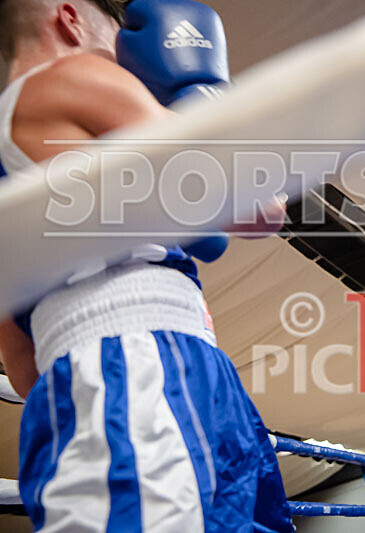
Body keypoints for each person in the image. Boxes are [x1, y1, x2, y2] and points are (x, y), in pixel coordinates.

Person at [0, 0, 293, 531]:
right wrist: (198, 93)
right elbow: (262, 205)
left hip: (98, 384)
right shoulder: (75, 75)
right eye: (116, 31)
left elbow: (23, 364)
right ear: (70, 18)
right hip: (145, 371)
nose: (127, 49)